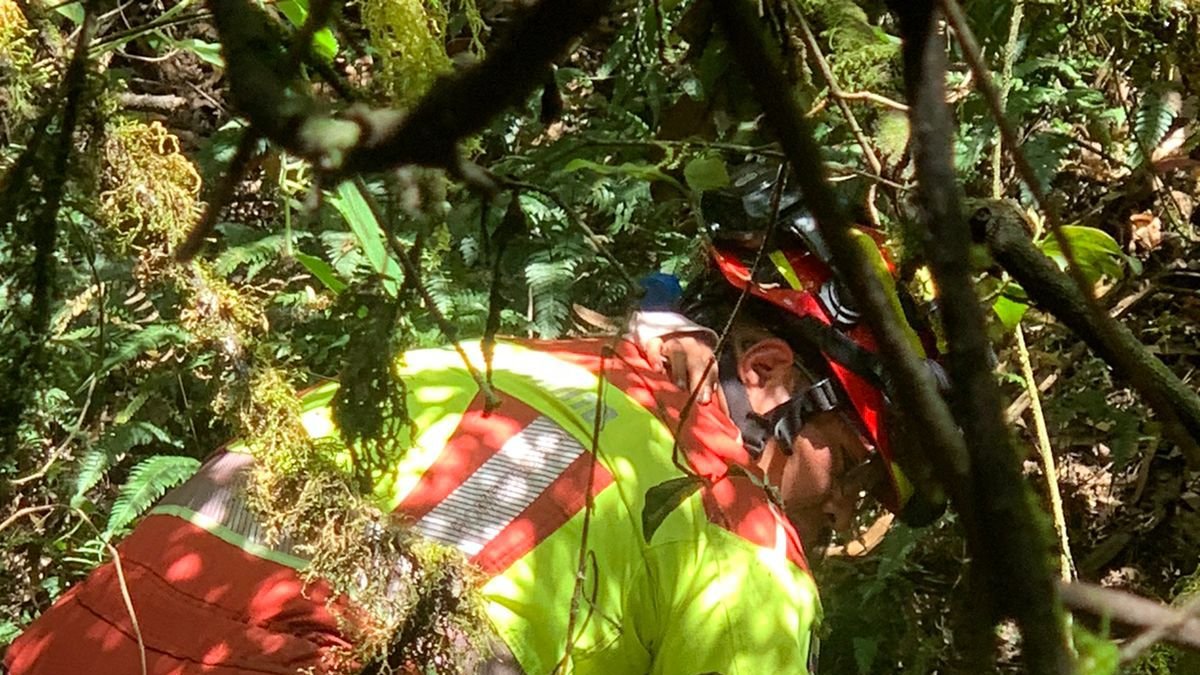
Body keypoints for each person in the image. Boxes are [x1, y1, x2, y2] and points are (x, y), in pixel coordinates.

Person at [4, 163, 940, 674]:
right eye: (854, 464)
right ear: (768, 372)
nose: (851, 517)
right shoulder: (740, 537)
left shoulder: (480, 362)